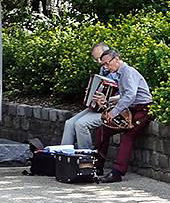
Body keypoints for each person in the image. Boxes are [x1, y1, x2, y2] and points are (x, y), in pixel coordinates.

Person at [95, 49, 153, 183]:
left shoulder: (128, 72)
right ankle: (97, 167)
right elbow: (125, 95)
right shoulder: (120, 73)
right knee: (103, 130)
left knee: (128, 134)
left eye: (107, 64)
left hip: (143, 109)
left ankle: (117, 173)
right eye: (104, 65)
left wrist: (114, 112)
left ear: (116, 59)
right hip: (132, 108)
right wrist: (108, 101)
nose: (106, 67)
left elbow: (130, 95)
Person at [60, 42, 119, 151]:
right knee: (69, 123)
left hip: (111, 109)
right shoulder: (103, 70)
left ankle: (86, 160)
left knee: (80, 124)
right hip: (98, 107)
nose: (99, 62)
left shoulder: (120, 71)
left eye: (100, 59)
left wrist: (107, 99)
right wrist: (91, 93)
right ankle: (63, 156)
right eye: (96, 59)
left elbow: (124, 95)